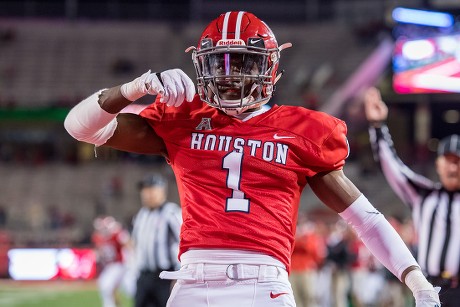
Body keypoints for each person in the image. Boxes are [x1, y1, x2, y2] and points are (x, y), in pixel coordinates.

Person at [64, 11, 440, 307]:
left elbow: (365, 219)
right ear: (202, 65)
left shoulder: (302, 130)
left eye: (241, 62)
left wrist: (416, 280)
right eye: (219, 63)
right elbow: (79, 127)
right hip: (192, 281)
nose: (229, 75)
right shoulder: (183, 118)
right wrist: (133, 88)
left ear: (269, 65)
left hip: (264, 284)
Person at [364, 86, 459, 306]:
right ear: (439, 164)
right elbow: (392, 167)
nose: (454, 166)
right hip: (432, 287)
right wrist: (377, 126)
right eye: (449, 160)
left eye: (458, 161)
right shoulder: (424, 194)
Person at [131, 174, 182, 307]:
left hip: (165, 276)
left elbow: (184, 242)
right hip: (144, 276)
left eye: (151, 189)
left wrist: (179, 274)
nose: (147, 194)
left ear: (162, 191)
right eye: (145, 190)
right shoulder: (141, 214)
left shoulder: (171, 212)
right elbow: (136, 243)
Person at [92, 215, 131, 307]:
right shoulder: (98, 237)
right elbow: (100, 252)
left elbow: (128, 245)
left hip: (120, 265)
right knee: (106, 286)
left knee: (128, 289)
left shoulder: (117, 234)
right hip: (111, 266)